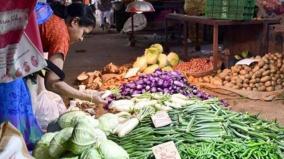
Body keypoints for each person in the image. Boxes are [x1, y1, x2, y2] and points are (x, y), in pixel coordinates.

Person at [39, 2, 106, 105]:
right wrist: (90, 98)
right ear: (75, 21)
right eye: (83, 33)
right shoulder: (61, 34)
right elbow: (52, 83)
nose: (81, 39)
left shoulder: (54, 18)